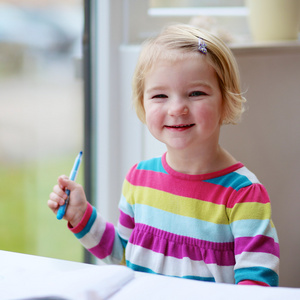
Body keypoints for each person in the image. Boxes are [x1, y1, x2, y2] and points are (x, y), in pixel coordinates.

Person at [48, 24, 280, 286]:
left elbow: (258, 286)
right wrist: (81, 216)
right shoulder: (139, 179)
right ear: (143, 104)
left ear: (226, 100)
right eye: (160, 95)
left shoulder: (244, 194)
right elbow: (122, 254)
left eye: (196, 93)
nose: (177, 108)